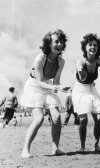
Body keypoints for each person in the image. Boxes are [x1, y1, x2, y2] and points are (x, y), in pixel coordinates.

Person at [20, 29, 68, 158]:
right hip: (34, 86)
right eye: (56, 41)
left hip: (48, 87)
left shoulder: (61, 61)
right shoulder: (41, 58)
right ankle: (25, 149)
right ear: (49, 44)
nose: (60, 44)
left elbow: (56, 81)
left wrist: (61, 88)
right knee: (39, 118)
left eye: (61, 42)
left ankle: (55, 148)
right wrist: (54, 88)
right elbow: (39, 81)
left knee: (57, 117)